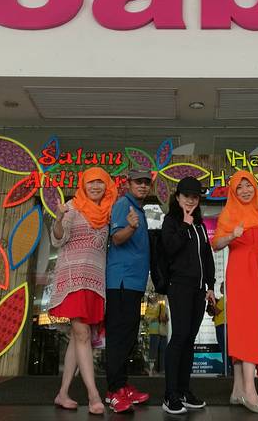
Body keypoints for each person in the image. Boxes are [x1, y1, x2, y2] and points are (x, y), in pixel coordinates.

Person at [48, 167, 117, 415]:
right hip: (72, 278)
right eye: (90, 182)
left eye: (100, 182)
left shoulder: (109, 211)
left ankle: (63, 393)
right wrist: (58, 219)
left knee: (79, 338)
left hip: (95, 280)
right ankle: (93, 395)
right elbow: (58, 238)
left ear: (107, 185)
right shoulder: (72, 207)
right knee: (82, 334)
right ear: (83, 185)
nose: (95, 186)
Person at [212, 170, 258, 414]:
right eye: (240, 187)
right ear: (233, 191)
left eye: (249, 186)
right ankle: (250, 391)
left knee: (252, 328)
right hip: (240, 271)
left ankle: (238, 390)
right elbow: (216, 244)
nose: (245, 191)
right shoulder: (228, 214)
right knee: (247, 329)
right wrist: (232, 235)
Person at [161, 176, 216, 414]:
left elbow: (207, 257)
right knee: (179, 337)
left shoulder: (200, 225)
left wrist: (210, 286)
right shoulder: (171, 221)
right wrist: (184, 224)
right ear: (177, 197)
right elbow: (170, 248)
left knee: (189, 339)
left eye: (195, 197)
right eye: (186, 196)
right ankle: (170, 395)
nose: (191, 201)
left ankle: (184, 391)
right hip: (179, 287)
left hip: (199, 289)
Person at [104, 168, 153, 413]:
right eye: (138, 182)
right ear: (128, 184)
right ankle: (113, 392)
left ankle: (122, 386)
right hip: (121, 282)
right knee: (118, 338)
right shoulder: (124, 204)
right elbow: (116, 238)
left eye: (146, 182)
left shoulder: (139, 209)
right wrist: (131, 228)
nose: (143, 186)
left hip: (134, 283)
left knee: (128, 338)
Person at [145, 292, 168, 375]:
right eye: (151, 296)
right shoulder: (149, 307)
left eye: (155, 296)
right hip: (154, 331)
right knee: (154, 350)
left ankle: (162, 369)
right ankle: (152, 369)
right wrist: (155, 317)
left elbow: (166, 317)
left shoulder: (162, 306)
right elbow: (147, 318)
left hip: (163, 330)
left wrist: (164, 318)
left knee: (163, 350)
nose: (153, 297)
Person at [212, 281, 228, 374]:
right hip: (223, 325)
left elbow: (216, 311)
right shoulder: (226, 299)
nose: (220, 288)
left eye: (222, 287)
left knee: (224, 349)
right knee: (226, 348)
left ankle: (225, 370)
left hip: (222, 326)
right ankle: (228, 369)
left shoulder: (224, 298)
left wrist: (213, 302)